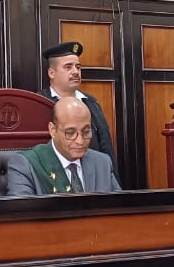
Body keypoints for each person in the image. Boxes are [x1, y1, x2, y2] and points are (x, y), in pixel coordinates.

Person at [6, 97, 122, 196]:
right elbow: (21, 213)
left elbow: (120, 210)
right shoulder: (26, 165)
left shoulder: (102, 163)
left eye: (86, 132)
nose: (80, 141)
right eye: (70, 133)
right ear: (53, 130)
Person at [40, 40, 117, 176]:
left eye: (78, 67)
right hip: (55, 179)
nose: (75, 72)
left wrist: (112, 181)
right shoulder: (39, 103)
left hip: (93, 179)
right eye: (68, 67)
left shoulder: (91, 103)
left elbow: (106, 147)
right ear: (52, 73)